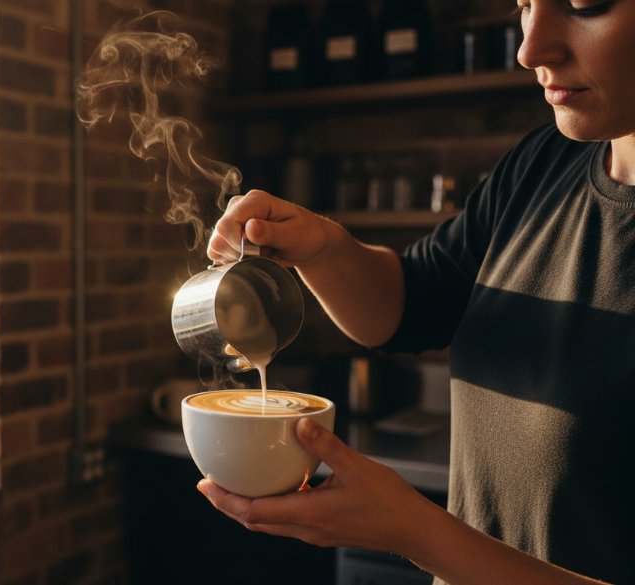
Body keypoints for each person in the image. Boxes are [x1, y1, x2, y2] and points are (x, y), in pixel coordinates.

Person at [198, 1, 635, 584]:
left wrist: (414, 531)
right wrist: (323, 249)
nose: (531, 49)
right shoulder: (542, 164)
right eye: (525, 5)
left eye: (584, 4)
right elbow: (409, 304)